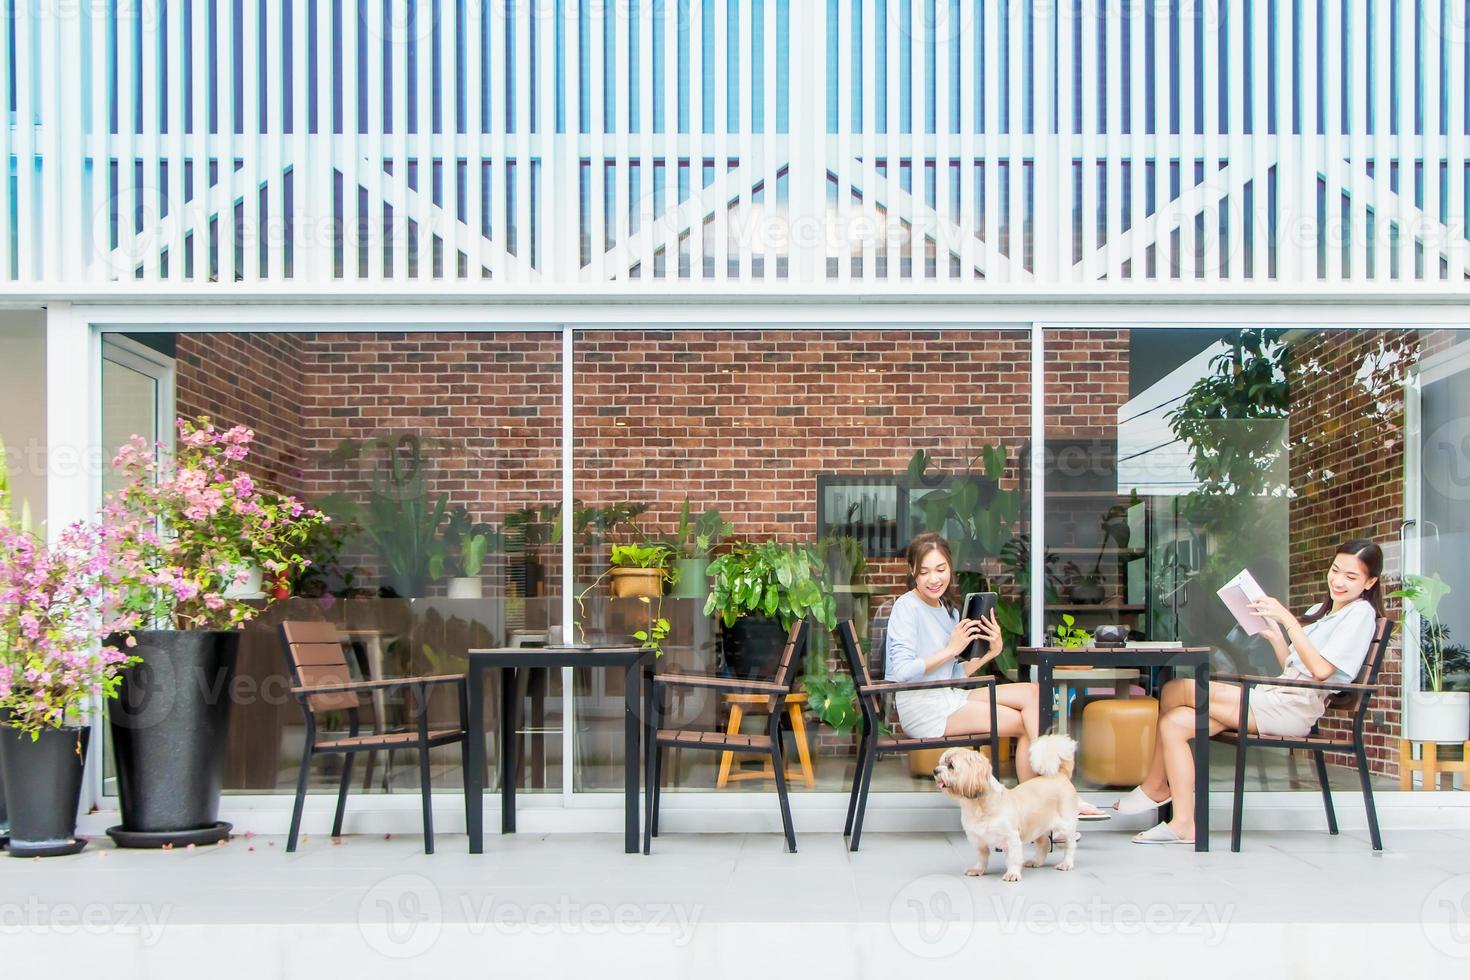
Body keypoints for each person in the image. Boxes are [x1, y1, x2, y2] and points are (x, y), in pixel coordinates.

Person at [1117, 538, 1383, 844]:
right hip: (1275, 700)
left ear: (1370, 581)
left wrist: (1289, 622)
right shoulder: (1322, 612)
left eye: (1351, 577)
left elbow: (1322, 673)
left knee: (1177, 689)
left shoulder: (1360, 614)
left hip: (1289, 712)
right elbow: (1295, 670)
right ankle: (1184, 825)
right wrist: (1275, 637)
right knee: (1174, 723)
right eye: (1335, 570)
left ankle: (1154, 786)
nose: (1338, 581)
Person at [886, 532, 1108, 818]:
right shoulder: (907, 606)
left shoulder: (947, 610)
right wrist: (951, 648)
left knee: (1033, 694)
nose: (934, 579)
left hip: (948, 694)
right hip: (923, 707)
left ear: (950, 567)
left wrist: (993, 651)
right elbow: (902, 672)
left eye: (940, 569)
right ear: (912, 571)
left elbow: (955, 673)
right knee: (1021, 724)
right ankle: (1056, 800)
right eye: (925, 571)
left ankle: (1048, 802)